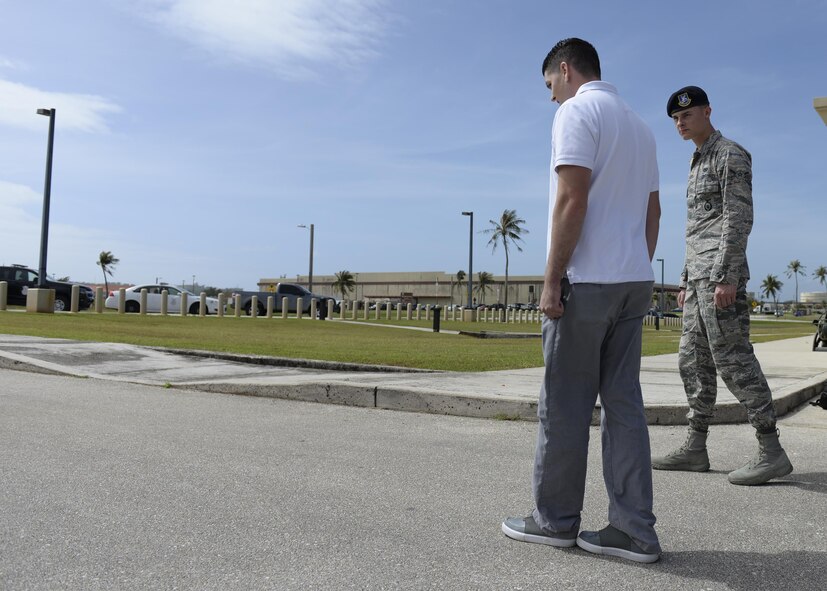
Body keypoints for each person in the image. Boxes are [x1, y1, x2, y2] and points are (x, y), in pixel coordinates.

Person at [501, 38, 662, 563]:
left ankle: (554, 521)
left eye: (550, 85)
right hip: (633, 281)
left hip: (586, 282)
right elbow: (652, 212)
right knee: (623, 406)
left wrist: (551, 279)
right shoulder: (640, 127)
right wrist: (634, 264)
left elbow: (572, 197)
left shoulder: (576, 112)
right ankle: (634, 530)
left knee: (565, 406)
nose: (551, 97)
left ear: (565, 71)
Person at [652, 86, 793, 485]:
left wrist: (727, 276)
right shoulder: (696, 161)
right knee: (692, 362)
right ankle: (696, 447)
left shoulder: (729, 154)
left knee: (735, 361)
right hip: (697, 281)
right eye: (676, 119)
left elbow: (738, 217)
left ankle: (771, 450)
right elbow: (698, 227)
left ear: (707, 112)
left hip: (719, 279)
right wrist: (683, 280)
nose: (680, 123)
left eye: (687, 115)